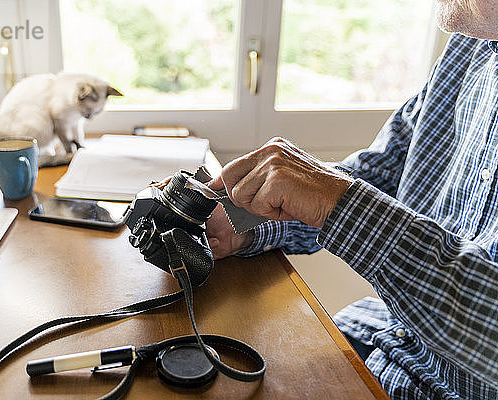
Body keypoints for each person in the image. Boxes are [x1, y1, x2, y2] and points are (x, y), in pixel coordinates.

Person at [204, 1, 498, 399]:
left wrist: (338, 203)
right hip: (382, 344)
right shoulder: (472, 45)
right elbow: (379, 175)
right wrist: (241, 221)